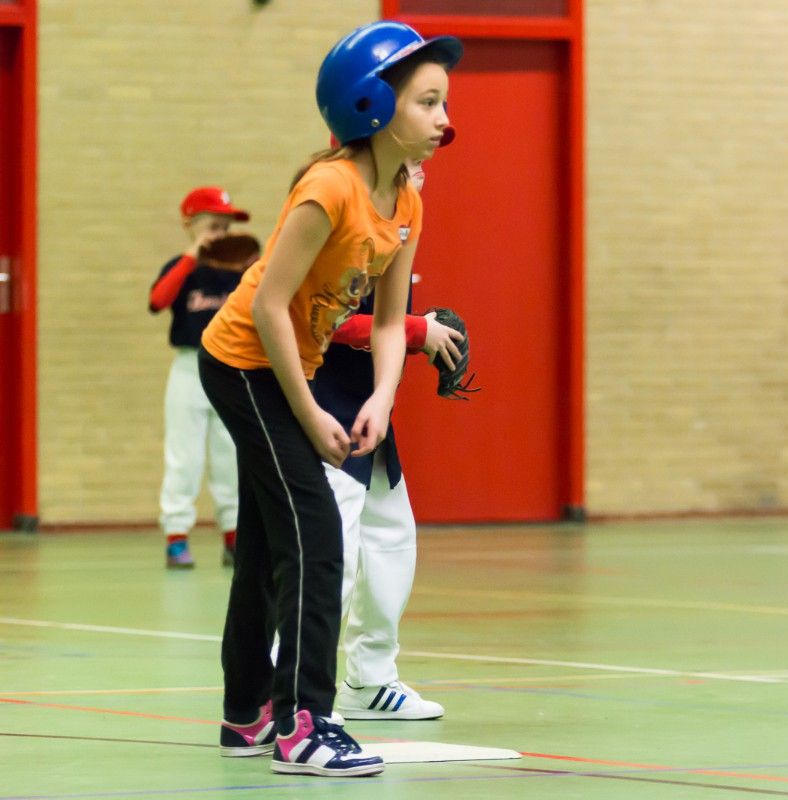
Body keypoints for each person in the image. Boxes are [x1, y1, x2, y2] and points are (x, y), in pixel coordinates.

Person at [198, 21, 461, 777]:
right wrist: (312, 413)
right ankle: (304, 725)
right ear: (370, 105)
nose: (445, 120)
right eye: (428, 102)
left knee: (266, 544)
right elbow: (266, 308)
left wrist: (381, 397)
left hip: (286, 368)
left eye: (444, 103)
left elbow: (388, 321)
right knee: (317, 535)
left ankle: (246, 713)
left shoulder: (405, 202)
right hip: (242, 365)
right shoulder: (329, 189)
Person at [313, 158, 460, 721]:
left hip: (367, 412)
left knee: (392, 540)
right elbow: (319, 318)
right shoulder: (335, 217)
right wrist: (420, 329)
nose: (421, 170)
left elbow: (385, 322)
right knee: (330, 552)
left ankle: (370, 680)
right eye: (409, 159)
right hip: (321, 411)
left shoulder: (399, 224)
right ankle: (294, 689)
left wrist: (416, 332)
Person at [148, 187, 250, 569]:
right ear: (190, 225)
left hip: (230, 368)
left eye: (225, 228)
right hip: (189, 368)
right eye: (212, 226)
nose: (220, 234)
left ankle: (234, 535)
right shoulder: (182, 267)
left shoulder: (239, 271)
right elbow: (158, 301)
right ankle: (176, 536)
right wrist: (192, 255)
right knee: (184, 456)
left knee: (231, 456)